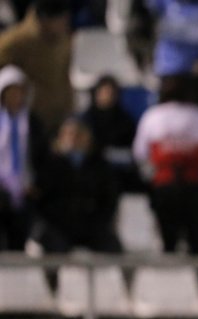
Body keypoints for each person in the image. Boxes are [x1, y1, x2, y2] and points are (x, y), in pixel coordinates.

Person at [132, 75, 198, 254]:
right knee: (197, 244)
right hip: (193, 187)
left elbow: (140, 153)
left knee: (169, 242)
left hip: (166, 187)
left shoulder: (152, 116)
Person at [32, 117, 121, 254]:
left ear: (88, 137)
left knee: (113, 247)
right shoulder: (50, 164)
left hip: (91, 226)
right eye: (68, 134)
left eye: (78, 134)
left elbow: (109, 200)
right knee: (52, 246)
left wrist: (97, 221)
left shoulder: (100, 165)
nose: (73, 138)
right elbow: (40, 199)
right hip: (58, 226)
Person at [0, 0, 72, 134]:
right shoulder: (16, 41)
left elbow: (64, 75)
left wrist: (69, 106)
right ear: (45, 20)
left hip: (58, 115)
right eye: (61, 20)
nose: (64, 24)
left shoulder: (63, 40)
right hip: (30, 119)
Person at [0, 64, 45, 251]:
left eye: (19, 92)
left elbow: (41, 156)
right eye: (11, 92)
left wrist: (37, 183)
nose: (15, 97)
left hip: (26, 191)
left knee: (20, 241)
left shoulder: (32, 122)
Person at [82, 75, 140, 193]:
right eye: (104, 92)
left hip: (119, 175)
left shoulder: (125, 121)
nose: (107, 96)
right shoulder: (85, 120)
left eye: (111, 93)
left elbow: (133, 150)